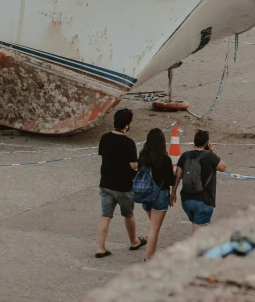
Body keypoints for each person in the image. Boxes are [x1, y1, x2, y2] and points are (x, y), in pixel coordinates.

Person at [96, 108, 147, 258]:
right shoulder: (128, 142)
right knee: (128, 214)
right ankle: (134, 241)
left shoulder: (105, 138)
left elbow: (102, 157)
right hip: (124, 185)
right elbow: (133, 165)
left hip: (105, 183)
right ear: (127, 125)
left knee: (105, 215)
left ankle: (100, 247)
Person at [170, 129, 227, 234]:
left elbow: (177, 176)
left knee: (197, 222)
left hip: (186, 200)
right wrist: (212, 153)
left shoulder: (185, 156)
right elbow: (223, 167)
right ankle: (195, 249)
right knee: (198, 231)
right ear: (207, 143)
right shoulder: (211, 157)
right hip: (204, 201)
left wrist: (173, 192)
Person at [137, 128, 175, 260]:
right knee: (154, 228)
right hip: (160, 194)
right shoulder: (165, 159)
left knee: (153, 225)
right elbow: (170, 180)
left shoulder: (142, 157)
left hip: (145, 194)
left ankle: (151, 254)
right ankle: (149, 257)